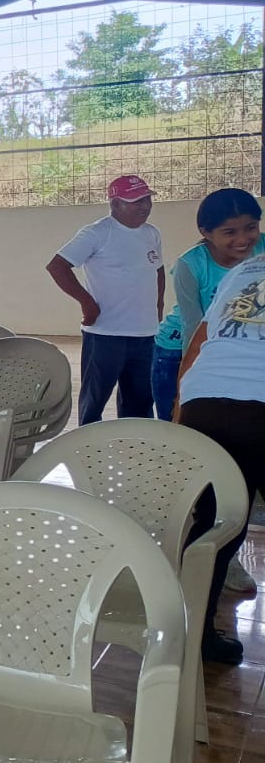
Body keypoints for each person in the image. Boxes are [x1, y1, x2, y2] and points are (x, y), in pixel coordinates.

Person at [175, 249, 265, 664]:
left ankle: (196, 635)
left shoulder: (246, 269)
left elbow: (201, 340)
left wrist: (181, 409)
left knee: (215, 523)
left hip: (206, 400)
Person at [45, 174, 164, 424]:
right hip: (106, 334)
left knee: (141, 401)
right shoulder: (98, 233)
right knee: (94, 399)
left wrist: (159, 306)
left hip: (145, 334)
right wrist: (86, 302)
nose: (145, 206)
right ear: (115, 203)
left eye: (147, 199)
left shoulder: (151, 233)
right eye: (136, 201)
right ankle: (88, 443)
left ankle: (134, 443)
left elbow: (158, 269)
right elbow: (57, 266)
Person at [153, 189, 265, 422]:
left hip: (230, 347)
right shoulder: (191, 264)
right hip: (177, 350)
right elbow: (192, 327)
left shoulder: (262, 249)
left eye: (251, 227)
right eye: (230, 232)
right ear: (206, 232)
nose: (243, 239)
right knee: (175, 424)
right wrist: (183, 388)